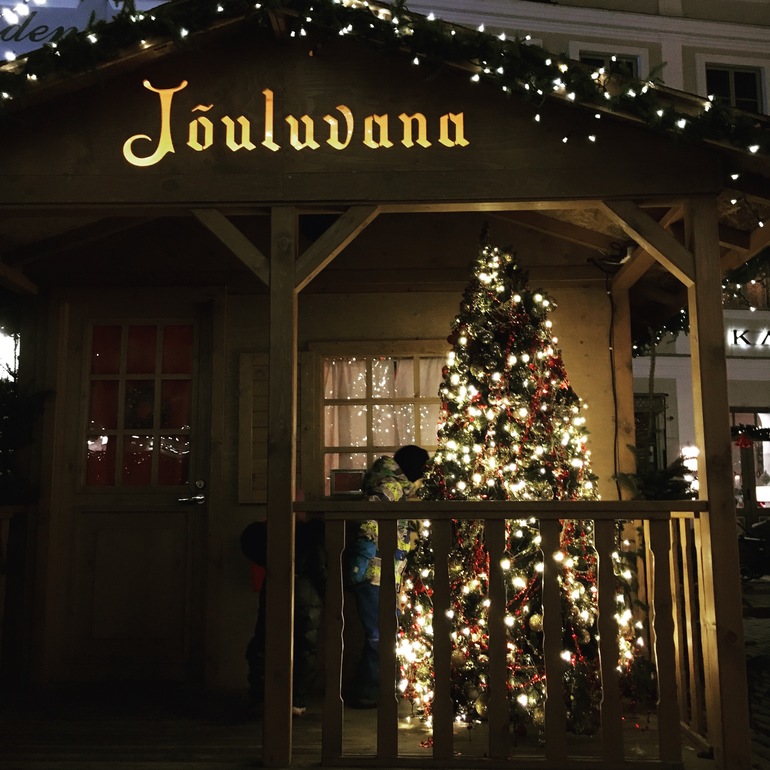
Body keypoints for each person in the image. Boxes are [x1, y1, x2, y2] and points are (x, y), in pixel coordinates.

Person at [345, 444, 429, 709]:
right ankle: (369, 691)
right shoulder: (391, 486)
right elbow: (369, 519)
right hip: (375, 572)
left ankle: (379, 687)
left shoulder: (393, 484)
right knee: (379, 634)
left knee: (382, 632)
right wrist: (365, 558)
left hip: (381, 571)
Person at [241, 512, 326, 717]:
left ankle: (261, 696)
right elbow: (319, 570)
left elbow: (251, 544)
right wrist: (328, 593)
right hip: (307, 596)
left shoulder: (271, 532)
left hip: (274, 589)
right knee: (305, 648)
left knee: (264, 642)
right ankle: (296, 700)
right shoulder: (314, 535)